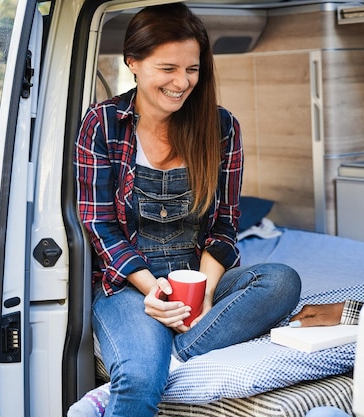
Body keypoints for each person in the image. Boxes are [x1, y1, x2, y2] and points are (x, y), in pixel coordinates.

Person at [73, 4, 301, 417]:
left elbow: (226, 224)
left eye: (192, 69)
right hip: (127, 282)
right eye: (168, 69)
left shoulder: (222, 127)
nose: (182, 83)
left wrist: (207, 292)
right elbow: (100, 225)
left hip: (197, 273)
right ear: (134, 63)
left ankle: (173, 355)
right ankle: (151, 364)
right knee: (139, 380)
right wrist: (154, 292)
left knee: (281, 281)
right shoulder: (102, 123)